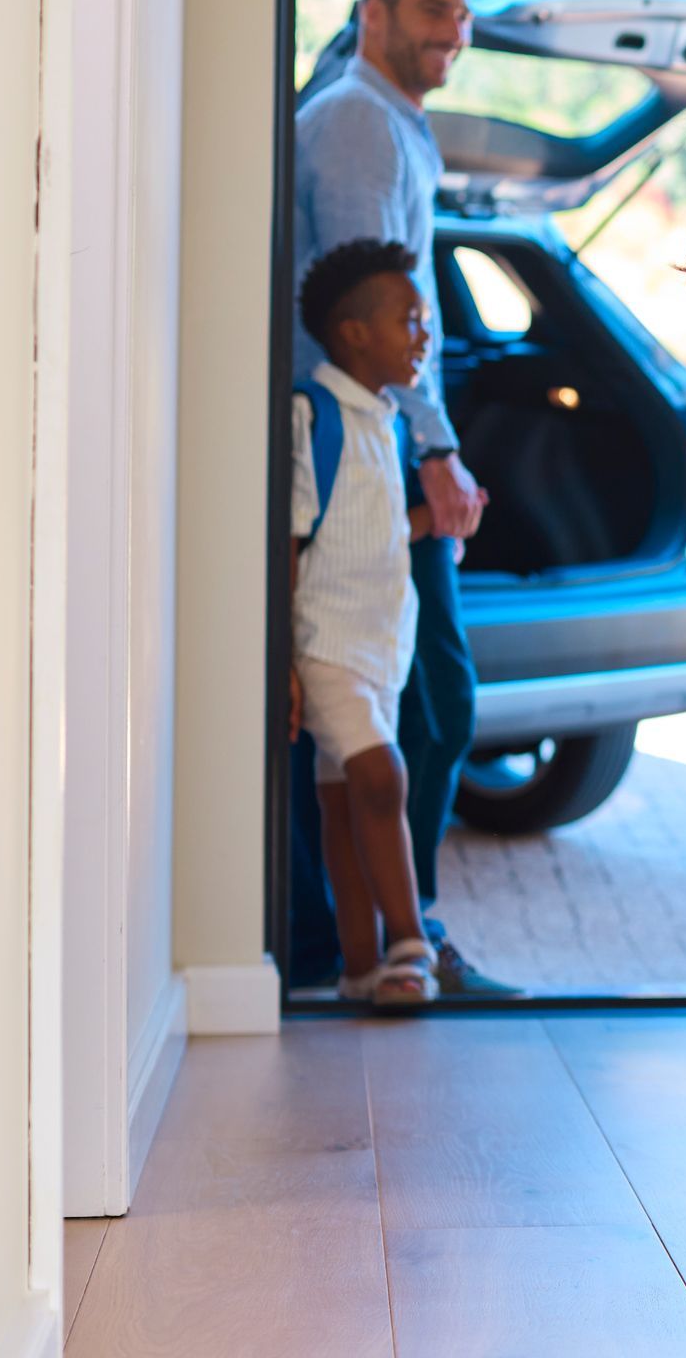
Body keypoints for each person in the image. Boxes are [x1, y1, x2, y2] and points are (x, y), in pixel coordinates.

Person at [292, 0, 512, 995]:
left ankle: (382, 940)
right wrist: (436, 450)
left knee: (409, 714)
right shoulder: (356, 125)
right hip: (357, 449)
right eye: (431, 9)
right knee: (433, 709)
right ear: (372, 15)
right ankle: (400, 935)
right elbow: (378, 317)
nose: (451, 31)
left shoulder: (386, 124)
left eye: (461, 15)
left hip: (380, 443)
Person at [289, 240, 442, 1004]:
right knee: (382, 778)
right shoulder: (312, 416)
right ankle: (412, 945)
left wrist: (432, 519)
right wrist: (281, 659)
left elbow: (369, 527)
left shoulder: (382, 418)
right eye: (408, 320)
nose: (424, 335)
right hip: (326, 644)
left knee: (345, 803)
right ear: (353, 333)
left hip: (382, 646)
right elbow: (290, 538)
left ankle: (358, 968)